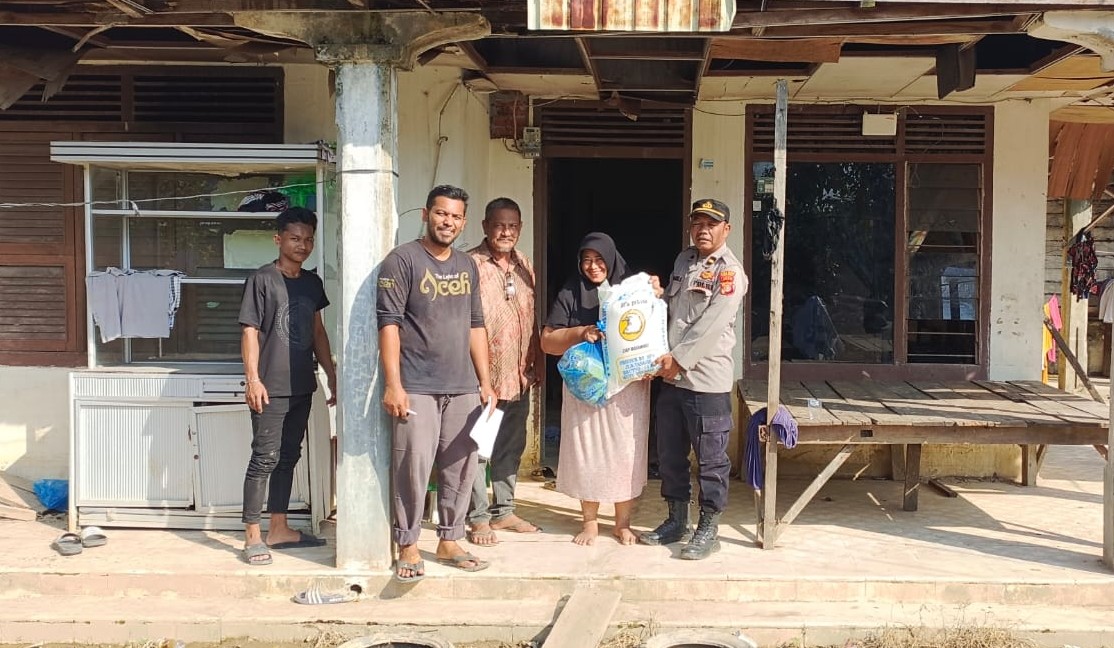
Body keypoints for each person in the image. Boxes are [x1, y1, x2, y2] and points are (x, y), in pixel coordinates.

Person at [376, 184, 497, 582]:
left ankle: (450, 539)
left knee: (461, 466)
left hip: (462, 385)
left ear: (464, 222)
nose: (448, 222)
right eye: (442, 213)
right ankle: (408, 544)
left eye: (456, 216)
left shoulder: (466, 265)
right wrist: (393, 384)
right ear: (426, 215)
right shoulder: (402, 260)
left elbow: (476, 325)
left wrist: (485, 381)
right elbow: (389, 325)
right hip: (417, 385)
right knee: (412, 465)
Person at [640, 198, 746, 561]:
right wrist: (655, 297)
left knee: (711, 460)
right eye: (697, 223)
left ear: (726, 230)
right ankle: (676, 520)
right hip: (672, 378)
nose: (703, 230)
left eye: (711, 224)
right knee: (670, 454)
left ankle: (709, 528)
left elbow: (711, 326)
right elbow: (675, 313)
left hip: (705, 381)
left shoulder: (730, 274)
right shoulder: (684, 261)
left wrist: (678, 360)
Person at [238, 206, 337, 567]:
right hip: (270, 386)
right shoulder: (262, 280)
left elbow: (317, 331)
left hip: (302, 385)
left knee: (288, 456)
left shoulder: (312, 283)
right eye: (295, 238)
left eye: (308, 239)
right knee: (264, 457)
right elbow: (249, 331)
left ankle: (278, 528)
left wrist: (332, 375)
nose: (302, 245)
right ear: (278, 239)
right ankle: (252, 535)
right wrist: (253, 379)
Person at [541, 232, 651, 546]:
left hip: (627, 386)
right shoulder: (570, 292)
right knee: (587, 451)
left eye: (599, 259)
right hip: (585, 387)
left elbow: (650, 329)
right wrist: (581, 332)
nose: (592, 266)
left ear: (612, 259)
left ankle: (622, 524)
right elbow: (547, 341)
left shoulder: (632, 290)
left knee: (625, 452)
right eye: (586, 260)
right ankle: (589, 522)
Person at [465, 198, 545, 546]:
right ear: (485, 226)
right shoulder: (470, 264)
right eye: (499, 225)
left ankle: (504, 510)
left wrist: (538, 360)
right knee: (478, 450)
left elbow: (532, 315)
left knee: (510, 447)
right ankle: (478, 517)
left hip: (520, 375)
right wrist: (481, 378)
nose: (505, 232)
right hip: (482, 379)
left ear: (520, 229)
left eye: (512, 226)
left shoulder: (525, 264)